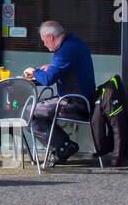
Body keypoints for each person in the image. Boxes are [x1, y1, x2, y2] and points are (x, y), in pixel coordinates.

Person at [23, 20, 96, 165]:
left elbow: (48, 79)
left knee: (26, 113)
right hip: (82, 98)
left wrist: (34, 71)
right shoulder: (74, 43)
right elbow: (66, 68)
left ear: (50, 37)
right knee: (38, 112)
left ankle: (63, 146)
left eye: (44, 41)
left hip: (75, 103)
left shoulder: (65, 50)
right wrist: (50, 67)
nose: (44, 44)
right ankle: (62, 146)